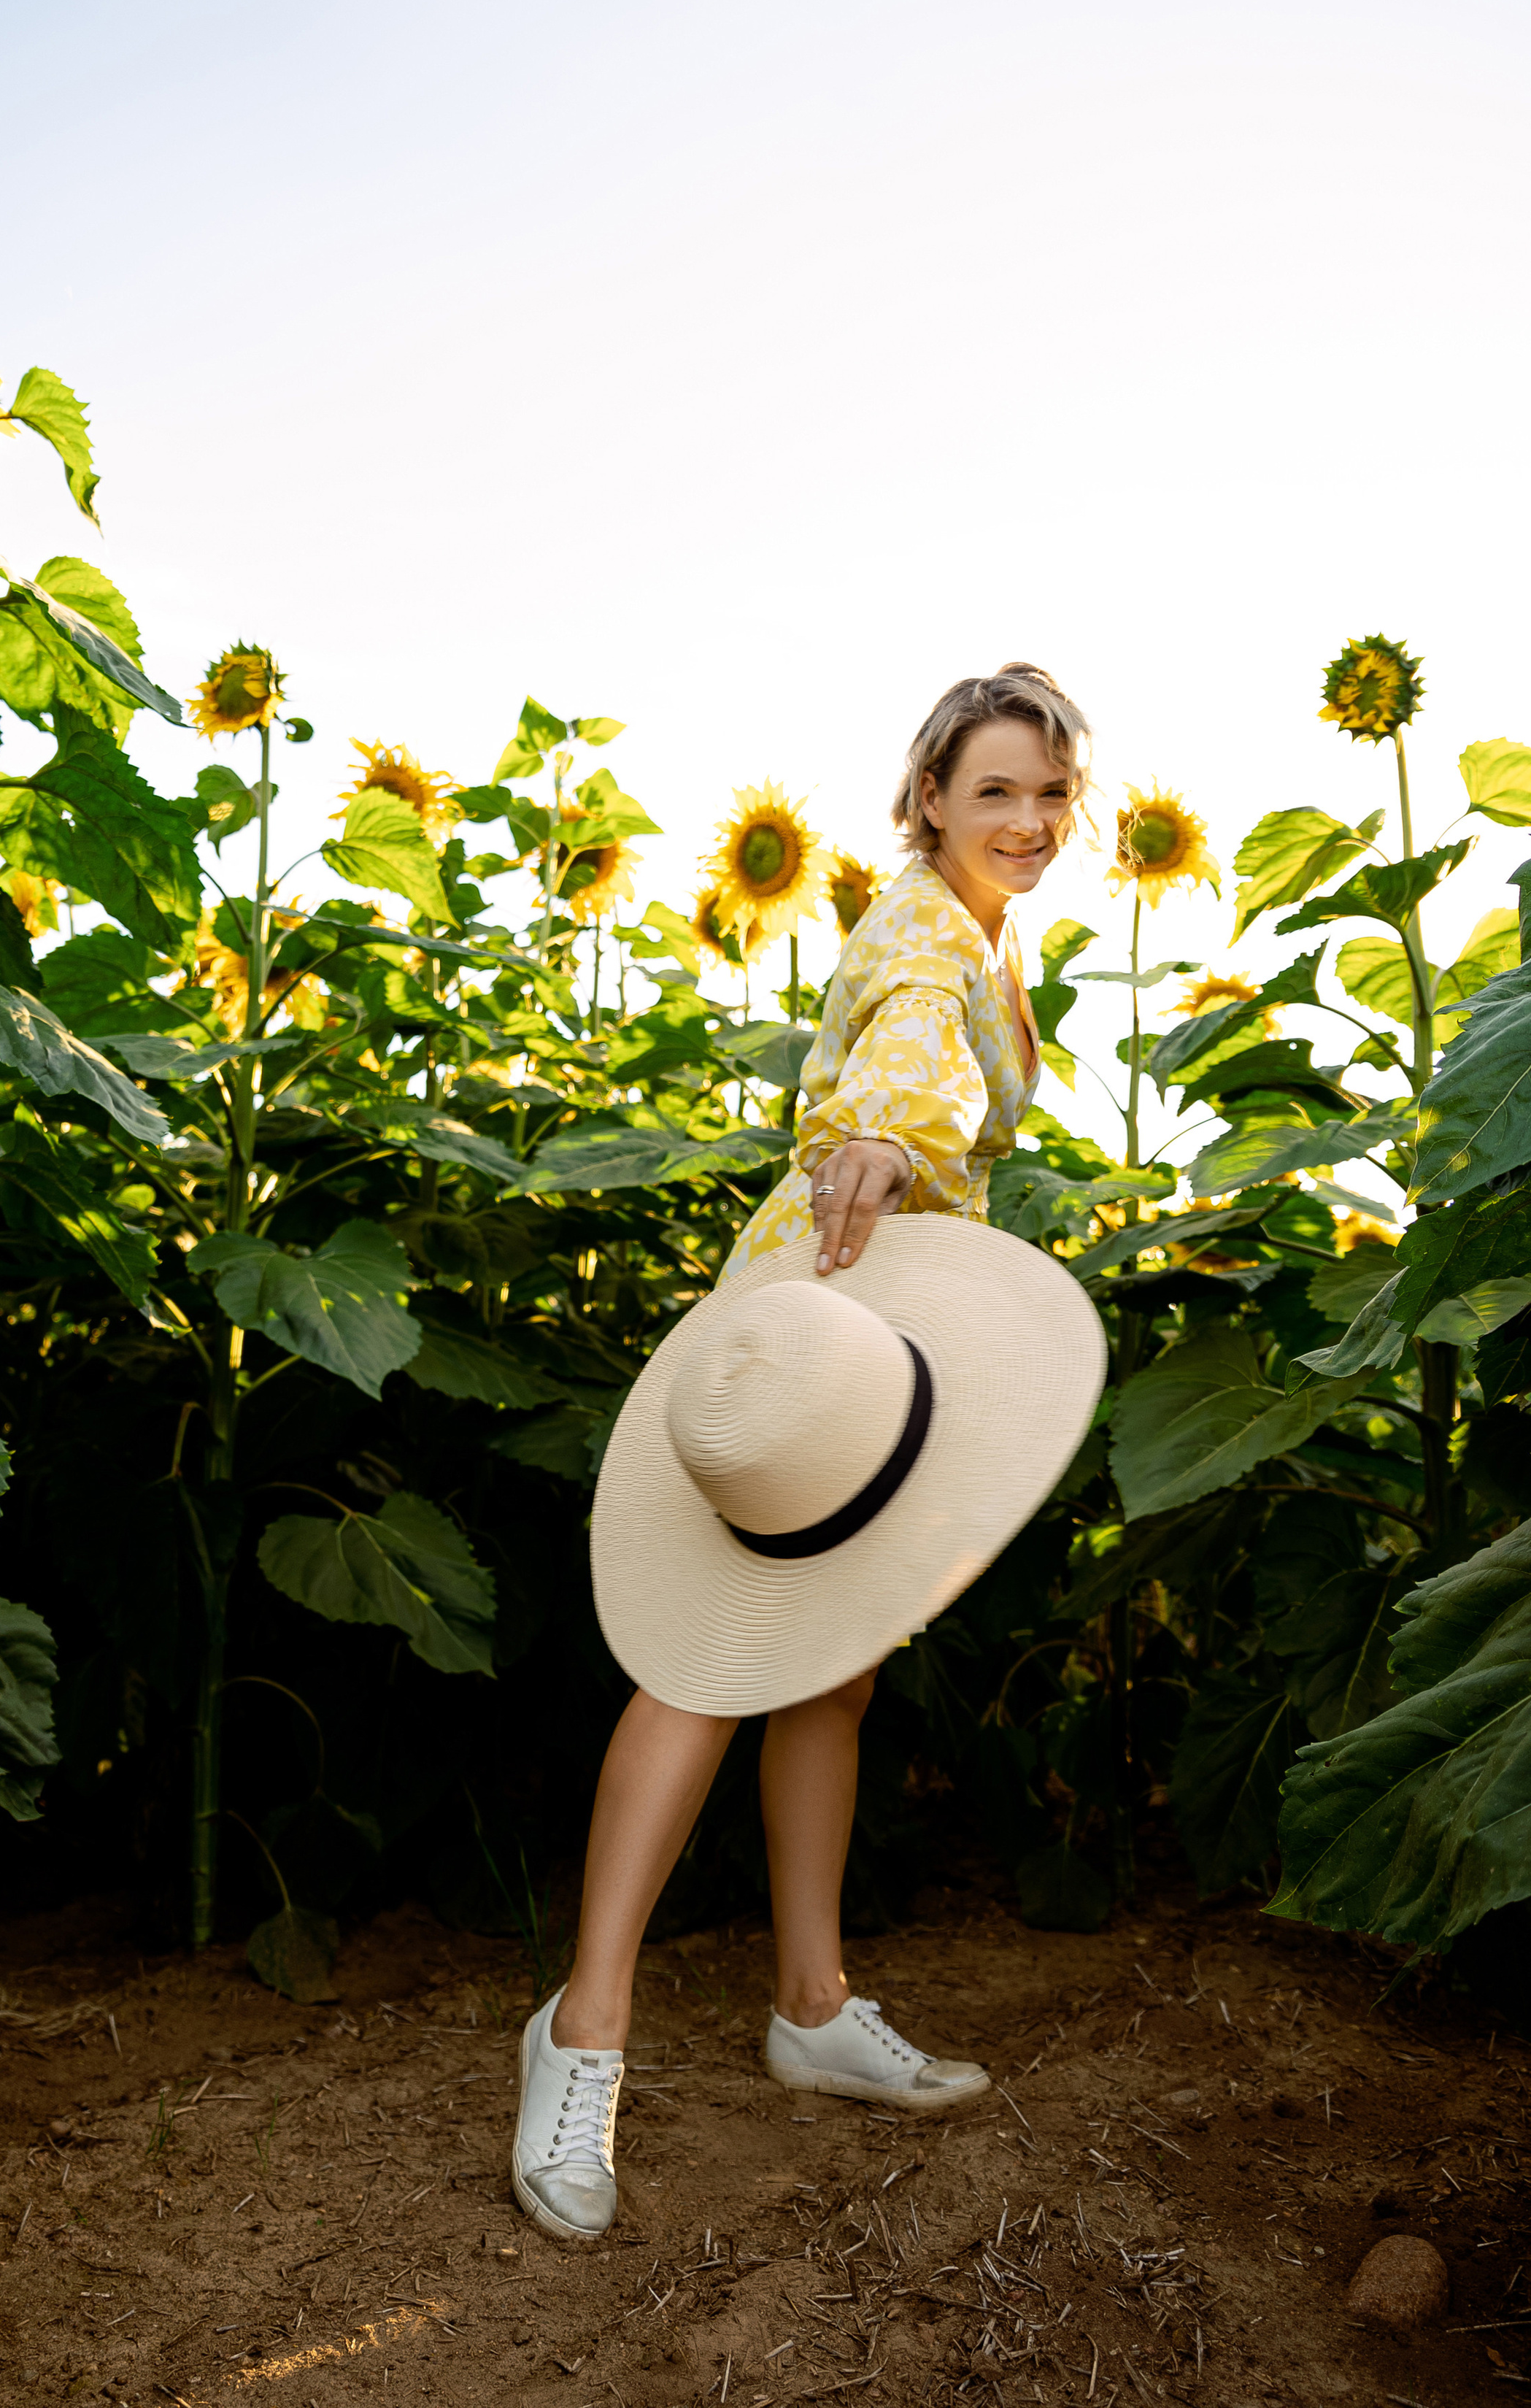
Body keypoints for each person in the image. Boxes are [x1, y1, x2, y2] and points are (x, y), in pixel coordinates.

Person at [509, 663, 1095, 2247]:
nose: (1029, 822)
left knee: (829, 1668)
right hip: (834, 1290)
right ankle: (580, 2036)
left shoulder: (973, 916)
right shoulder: (922, 936)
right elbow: (900, 1072)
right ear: (925, 800)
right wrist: (887, 1136)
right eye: (995, 793)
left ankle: (809, 2002)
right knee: (704, 1667)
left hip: (883, 1324)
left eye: (1050, 794)